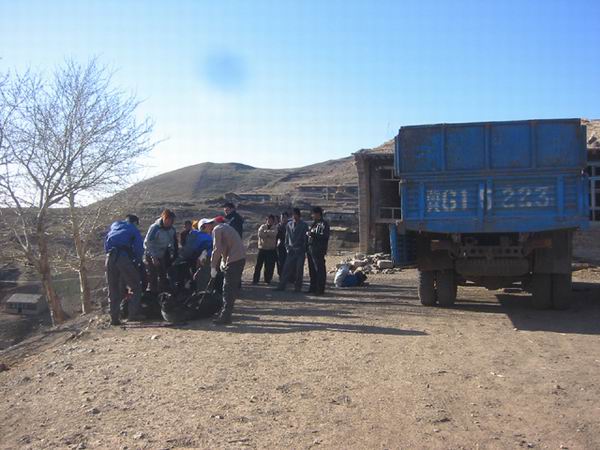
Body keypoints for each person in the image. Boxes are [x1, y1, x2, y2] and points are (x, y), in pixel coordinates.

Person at [202, 217, 246, 325]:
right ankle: (226, 314)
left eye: (205, 230)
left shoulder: (217, 230)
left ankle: (225, 316)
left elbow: (217, 249)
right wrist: (223, 262)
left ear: (207, 225)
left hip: (234, 260)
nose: (207, 233)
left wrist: (213, 267)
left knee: (228, 289)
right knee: (231, 288)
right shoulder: (225, 227)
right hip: (239, 258)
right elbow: (224, 247)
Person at [104, 214, 145, 325]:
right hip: (123, 257)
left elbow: (106, 242)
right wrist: (137, 262)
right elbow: (139, 248)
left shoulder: (115, 226)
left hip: (109, 257)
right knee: (136, 286)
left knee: (113, 288)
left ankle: (114, 319)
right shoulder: (133, 229)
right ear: (135, 222)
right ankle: (133, 314)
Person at [169, 218, 213, 292]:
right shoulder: (197, 235)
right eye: (208, 225)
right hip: (198, 259)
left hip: (202, 259)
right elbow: (190, 249)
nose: (210, 226)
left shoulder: (207, 235)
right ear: (202, 227)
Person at [144, 209, 178, 295]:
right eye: (168, 220)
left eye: (171, 221)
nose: (170, 222)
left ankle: (162, 293)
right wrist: (154, 257)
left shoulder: (172, 230)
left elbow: (172, 242)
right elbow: (148, 243)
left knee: (163, 274)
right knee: (153, 275)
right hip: (151, 254)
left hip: (162, 254)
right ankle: (152, 294)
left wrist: (172, 253)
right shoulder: (155, 228)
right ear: (164, 218)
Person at [276, 208, 309, 292]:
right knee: (286, 269)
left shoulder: (304, 225)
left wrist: (303, 249)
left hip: (300, 251)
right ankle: (281, 286)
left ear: (299, 215)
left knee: (299, 270)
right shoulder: (289, 224)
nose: (294, 216)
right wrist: (287, 247)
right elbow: (287, 237)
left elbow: (305, 239)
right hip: (290, 250)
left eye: (295, 215)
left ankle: (298, 288)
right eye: (293, 215)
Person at [307, 206, 331, 295]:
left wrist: (313, 234)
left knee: (319, 270)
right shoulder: (314, 224)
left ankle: (320, 289)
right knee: (312, 270)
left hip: (318, 250)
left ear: (317, 214)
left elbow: (324, 236)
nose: (312, 216)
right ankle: (312, 288)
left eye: (313, 214)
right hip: (311, 249)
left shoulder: (324, 224)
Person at [253, 215, 278, 285]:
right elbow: (260, 234)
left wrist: (266, 232)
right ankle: (255, 280)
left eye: (271, 220)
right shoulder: (262, 226)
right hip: (262, 248)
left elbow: (274, 234)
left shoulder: (275, 227)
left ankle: (267, 280)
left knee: (268, 266)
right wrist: (269, 233)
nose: (270, 221)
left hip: (270, 249)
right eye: (268, 220)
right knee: (258, 265)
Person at [276, 211, 290, 278]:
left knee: (289, 262)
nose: (283, 219)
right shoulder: (278, 226)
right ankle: (281, 276)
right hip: (280, 245)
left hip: (289, 246)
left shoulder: (291, 225)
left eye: (285, 217)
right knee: (280, 262)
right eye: (282, 217)